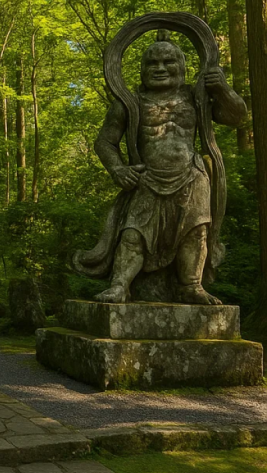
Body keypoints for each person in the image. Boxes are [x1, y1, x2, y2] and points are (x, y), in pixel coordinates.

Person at [75, 39, 246, 304]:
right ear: (142, 69)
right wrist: (118, 169)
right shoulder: (130, 102)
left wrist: (221, 87)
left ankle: (192, 285)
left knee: (196, 232)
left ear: (182, 67)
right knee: (133, 234)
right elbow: (105, 142)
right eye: (152, 63)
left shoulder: (196, 97)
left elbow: (236, 117)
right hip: (147, 177)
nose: (160, 68)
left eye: (168, 62)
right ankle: (120, 285)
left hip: (191, 175)